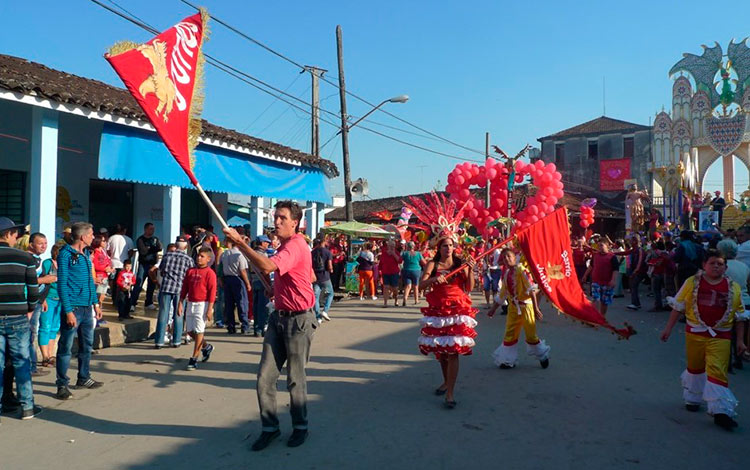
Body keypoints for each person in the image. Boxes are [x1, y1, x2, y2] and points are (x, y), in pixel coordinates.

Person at [223, 200, 316, 451]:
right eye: (275, 216)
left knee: (295, 378)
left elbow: (268, 265)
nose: (276, 221)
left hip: (299, 320)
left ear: (294, 223)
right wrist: (276, 289)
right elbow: (293, 275)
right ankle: (270, 428)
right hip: (279, 316)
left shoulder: (296, 245)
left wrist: (241, 242)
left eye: (282, 218)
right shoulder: (285, 246)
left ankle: (300, 427)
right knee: (265, 377)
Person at [660, 249, 748, 430]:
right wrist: (667, 329)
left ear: (725, 267)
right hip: (695, 333)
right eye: (712, 263)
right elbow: (678, 307)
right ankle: (693, 398)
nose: (716, 266)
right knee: (695, 366)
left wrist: (740, 341)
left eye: (720, 264)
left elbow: (740, 317)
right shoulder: (692, 283)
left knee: (717, 370)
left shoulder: (734, 288)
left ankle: (721, 412)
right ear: (704, 265)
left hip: (721, 336)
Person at [418, 236, 476, 409]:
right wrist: (433, 280)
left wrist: (471, 270)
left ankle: (450, 393)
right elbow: (421, 285)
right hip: (438, 311)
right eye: (445, 246)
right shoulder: (432, 264)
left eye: (451, 245)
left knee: (453, 352)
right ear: (439, 248)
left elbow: (469, 287)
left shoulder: (460, 263)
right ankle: (446, 382)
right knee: (442, 352)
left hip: (457, 311)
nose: (448, 248)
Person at [55, 222, 104, 400]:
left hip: (86, 308)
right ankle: (62, 384)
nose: (93, 237)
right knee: (66, 347)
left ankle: (83, 377)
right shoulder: (66, 254)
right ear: (83, 237)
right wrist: (68, 311)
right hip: (73, 308)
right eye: (91, 234)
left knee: (87, 346)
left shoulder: (85, 255)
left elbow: (90, 283)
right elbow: (62, 284)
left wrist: (96, 304)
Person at [0, 217, 42, 420]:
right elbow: (33, 290)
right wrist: (30, 308)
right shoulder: (25, 258)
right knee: (21, 362)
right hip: (17, 315)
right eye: (15, 233)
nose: (17, 237)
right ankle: (27, 407)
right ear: (7, 234)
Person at [490, 248, 550, 370]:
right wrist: (493, 309)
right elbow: (502, 294)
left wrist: (536, 308)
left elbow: (531, 290)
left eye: (509, 256)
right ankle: (507, 361)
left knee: (530, 335)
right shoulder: (506, 274)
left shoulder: (522, 271)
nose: (507, 260)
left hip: (526, 307)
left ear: (514, 257)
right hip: (513, 307)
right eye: (504, 258)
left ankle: (542, 355)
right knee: (509, 334)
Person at [178, 246, 217, 371]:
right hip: (191, 303)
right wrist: (180, 302)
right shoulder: (190, 271)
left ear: (208, 259)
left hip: (203, 304)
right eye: (198, 256)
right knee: (190, 331)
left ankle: (194, 358)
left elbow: (212, 292)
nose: (199, 258)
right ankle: (206, 347)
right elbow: (184, 288)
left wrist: (210, 308)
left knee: (199, 331)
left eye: (202, 256)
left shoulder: (210, 273)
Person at [717, 239, 750, 370]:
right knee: (739, 334)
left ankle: (728, 361)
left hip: (728, 302)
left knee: (727, 333)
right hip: (745, 302)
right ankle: (739, 358)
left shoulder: (722, 266)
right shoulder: (744, 266)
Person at [155, 239, 194, 348]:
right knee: (179, 314)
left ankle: (159, 341)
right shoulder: (188, 259)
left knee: (163, 313)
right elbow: (190, 276)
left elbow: (161, 271)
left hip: (166, 286)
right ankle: (176, 340)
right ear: (185, 247)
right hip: (180, 289)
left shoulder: (167, 256)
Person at [27, 233, 54, 377]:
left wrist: (43, 299)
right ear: (31, 244)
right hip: (29, 303)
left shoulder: (38, 260)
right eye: (40, 243)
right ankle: (30, 367)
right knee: (30, 334)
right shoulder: (29, 259)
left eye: (45, 243)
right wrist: (46, 279)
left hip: (38, 301)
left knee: (33, 333)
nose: (44, 246)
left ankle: (32, 366)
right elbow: (30, 280)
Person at [221, 237, 252, 335]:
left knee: (229, 304)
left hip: (227, 279)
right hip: (237, 279)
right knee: (242, 303)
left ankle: (231, 326)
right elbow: (242, 270)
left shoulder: (224, 254)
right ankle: (244, 325)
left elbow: (221, 268)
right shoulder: (239, 255)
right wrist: (247, 283)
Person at [38, 244, 61, 368]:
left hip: (60, 299)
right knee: (45, 327)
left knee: (54, 327)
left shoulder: (64, 265)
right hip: (49, 298)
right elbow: (42, 282)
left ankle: (51, 355)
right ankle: (45, 356)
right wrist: (43, 299)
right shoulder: (48, 263)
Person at [131, 223, 162, 311]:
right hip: (143, 264)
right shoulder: (140, 239)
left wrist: (151, 248)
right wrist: (152, 248)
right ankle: (132, 303)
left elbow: (159, 247)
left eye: (153, 229)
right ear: (145, 229)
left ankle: (149, 302)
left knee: (151, 284)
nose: (152, 231)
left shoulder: (155, 239)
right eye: (150, 229)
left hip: (153, 264)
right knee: (139, 283)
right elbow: (143, 251)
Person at [588, 239, 621, 317]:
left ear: (607, 246)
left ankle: (602, 317)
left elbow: (615, 269)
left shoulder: (612, 257)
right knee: (595, 299)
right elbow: (591, 266)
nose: (599, 247)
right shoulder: (595, 255)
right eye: (598, 245)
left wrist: (613, 280)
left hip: (607, 283)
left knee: (604, 302)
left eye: (601, 245)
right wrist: (585, 275)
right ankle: (595, 317)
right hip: (596, 281)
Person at [107, 224, 134, 307]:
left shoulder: (111, 238)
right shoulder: (128, 239)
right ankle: (121, 302)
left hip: (113, 264)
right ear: (124, 230)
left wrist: (112, 257)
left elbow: (108, 251)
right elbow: (131, 251)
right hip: (124, 265)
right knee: (123, 283)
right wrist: (128, 259)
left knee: (114, 283)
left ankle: (114, 301)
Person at [251, 235, 272, 336]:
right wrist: (269, 285)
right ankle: (261, 328)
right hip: (262, 281)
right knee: (263, 307)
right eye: (266, 242)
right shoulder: (263, 255)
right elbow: (265, 270)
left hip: (254, 281)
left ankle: (256, 328)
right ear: (262, 243)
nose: (268, 244)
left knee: (256, 306)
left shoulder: (252, 254)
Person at [311, 237, 334, 320]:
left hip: (315, 277)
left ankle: (318, 317)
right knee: (330, 294)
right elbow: (330, 266)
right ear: (324, 241)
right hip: (325, 276)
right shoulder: (328, 252)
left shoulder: (312, 252)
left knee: (316, 297)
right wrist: (331, 270)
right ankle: (325, 311)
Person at [91, 235, 113, 314]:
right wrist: (104, 269)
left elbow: (108, 261)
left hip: (105, 276)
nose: (105, 242)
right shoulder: (96, 252)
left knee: (102, 296)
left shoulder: (103, 251)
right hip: (99, 276)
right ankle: (96, 314)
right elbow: (95, 265)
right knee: (98, 296)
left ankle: (99, 313)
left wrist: (109, 268)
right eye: (103, 241)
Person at [626, 236, 647, 310]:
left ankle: (636, 303)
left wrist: (635, 272)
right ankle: (635, 302)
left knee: (634, 286)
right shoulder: (634, 250)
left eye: (631, 241)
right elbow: (625, 253)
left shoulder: (640, 250)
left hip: (639, 272)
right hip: (635, 270)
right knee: (633, 286)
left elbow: (640, 262)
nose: (630, 242)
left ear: (635, 241)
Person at [400, 241, 425, 306]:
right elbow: (424, 262)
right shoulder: (418, 254)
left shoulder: (405, 253)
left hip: (406, 270)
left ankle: (405, 299)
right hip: (416, 270)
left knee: (408, 286)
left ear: (407, 247)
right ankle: (416, 300)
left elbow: (400, 261)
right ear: (413, 247)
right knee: (415, 286)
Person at [378, 239, 401, 308]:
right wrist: (380, 270)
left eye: (393, 246)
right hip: (385, 272)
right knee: (386, 287)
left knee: (395, 288)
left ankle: (396, 300)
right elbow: (381, 263)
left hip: (394, 272)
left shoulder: (396, 252)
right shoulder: (384, 253)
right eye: (390, 246)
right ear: (388, 246)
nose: (392, 247)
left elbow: (400, 261)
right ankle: (385, 303)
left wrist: (393, 254)